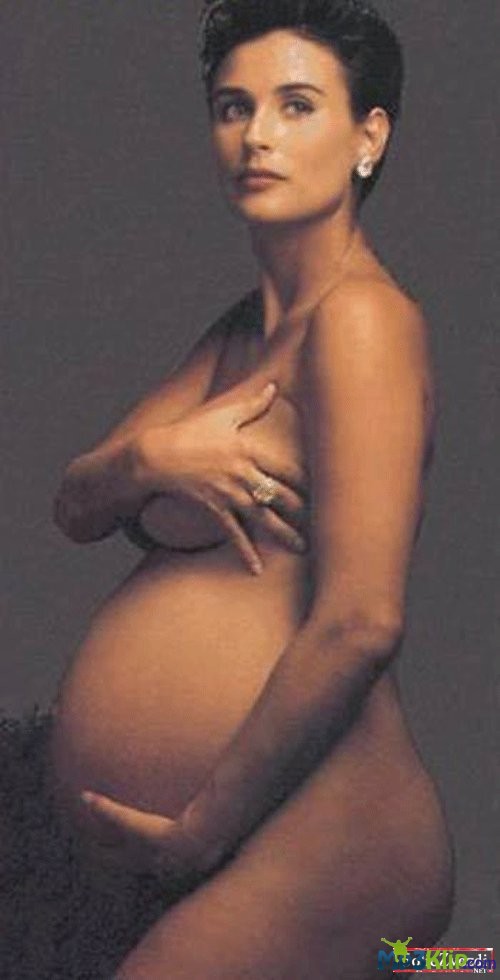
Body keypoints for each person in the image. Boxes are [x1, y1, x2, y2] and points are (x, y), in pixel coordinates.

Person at [42, 1, 454, 976]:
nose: (256, 135)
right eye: (234, 107)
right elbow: (75, 504)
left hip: (321, 836)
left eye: (296, 105)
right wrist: (156, 460)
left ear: (368, 137)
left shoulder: (359, 321)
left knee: (431, 966)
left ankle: (455, 966)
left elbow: (361, 621)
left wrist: (201, 833)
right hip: (228, 837)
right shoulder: (243, 330)